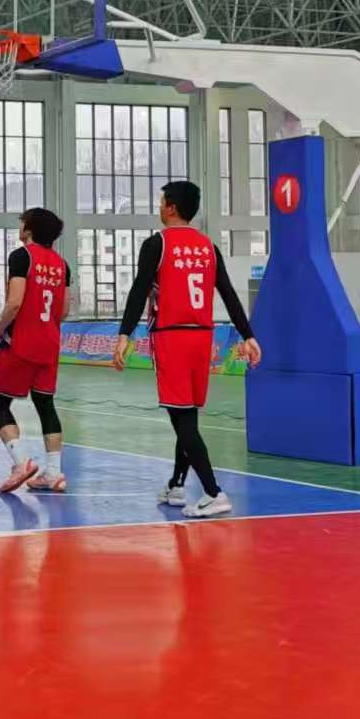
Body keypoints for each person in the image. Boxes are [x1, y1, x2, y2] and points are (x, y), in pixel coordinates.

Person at [115, 181, 262, 516]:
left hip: (173, 337)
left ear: (171, 207)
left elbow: (139, 290)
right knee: (186, 414)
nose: (159, 206)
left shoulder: (157, 244)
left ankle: (213, 492)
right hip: (203, 337)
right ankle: (177, 485)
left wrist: (124, 334)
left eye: (161, 201)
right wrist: (248, 335)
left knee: (182, 419)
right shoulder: (208, 246)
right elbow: (228, 293)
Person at [0, 208, 72, 493]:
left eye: (22, 222)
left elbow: (15, 302)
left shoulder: (22, 256)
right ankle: (54, 473)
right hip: (49, 344)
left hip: (21, 343)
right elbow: (64, 310)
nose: (20, 226)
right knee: (45, 405)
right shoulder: (63, 264)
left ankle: (21, 462)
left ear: (29, 229)